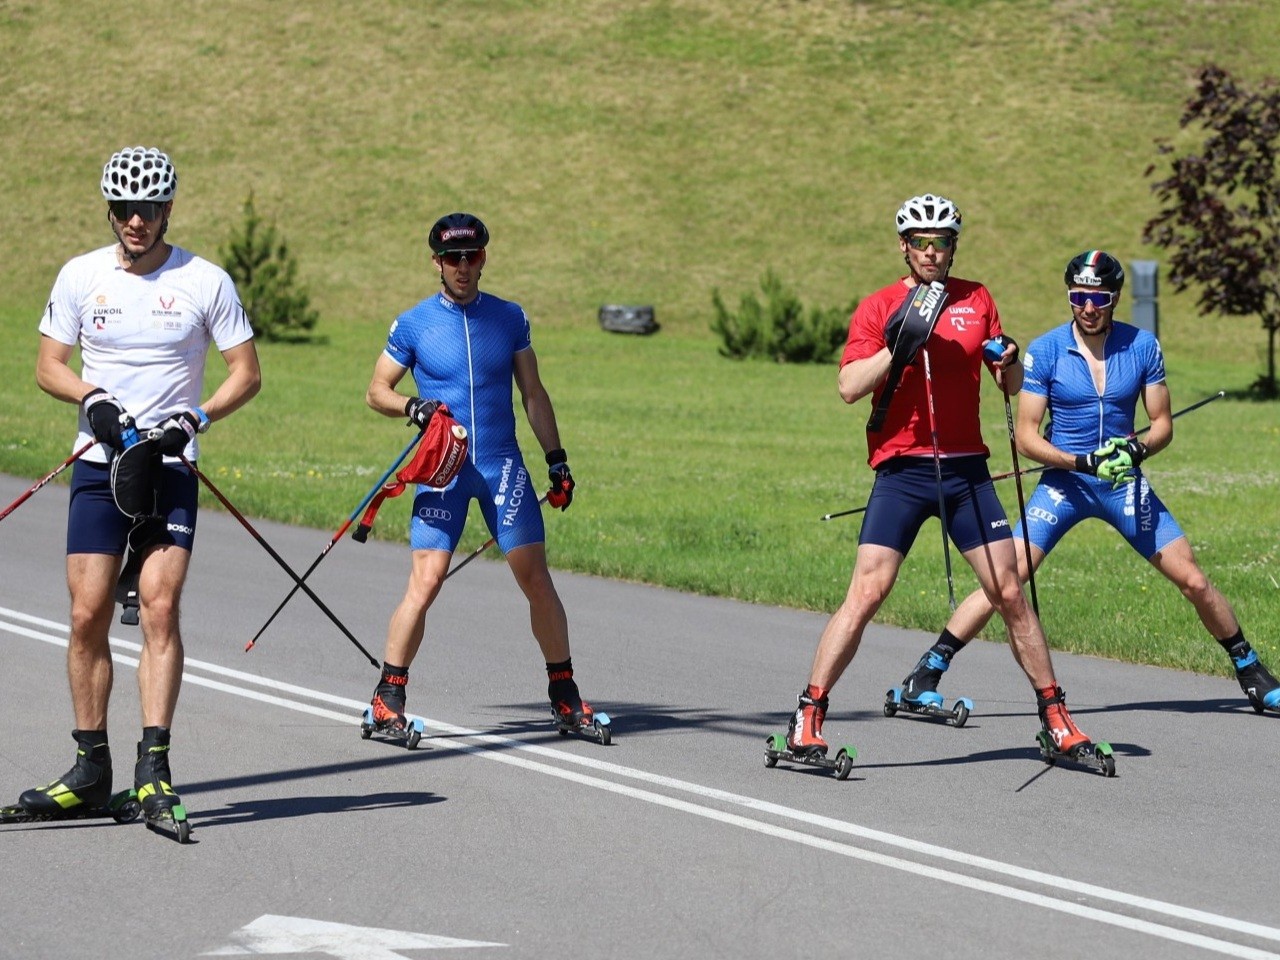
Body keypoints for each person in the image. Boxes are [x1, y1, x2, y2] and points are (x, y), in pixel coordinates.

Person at [897, 250, 1280, 716]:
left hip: (1121, 483)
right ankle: (929, 669)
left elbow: (1161, 424)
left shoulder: (1142, 346)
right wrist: (1081, 461)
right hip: (1065, 485)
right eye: (1078, 297)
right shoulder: (1047, 350)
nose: (1088, 307)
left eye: (1098, 297)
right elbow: (1025, 437)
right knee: (1008, 579)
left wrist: (1136, 450)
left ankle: (1252, 673)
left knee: (1194, 580)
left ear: (1115, 297)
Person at [784, 193, 1098, 759]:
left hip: (965, 470)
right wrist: (898, 345)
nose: (932, 252)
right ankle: (807, 715)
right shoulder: (879, 305)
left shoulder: (976, 298)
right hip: (902, 470)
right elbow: (849, 387)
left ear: (954, 246)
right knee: (868, 592)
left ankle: (1057, 719)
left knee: (1009, 592)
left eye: (943, 242)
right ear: (905, 247)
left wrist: (1010, 362)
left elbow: (1008, 385)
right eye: (922, 242)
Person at [15, 146, 261, 833]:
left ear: (167, 210)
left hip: (168, 468)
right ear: (111, 209)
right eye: (123, 209)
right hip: (98, 465)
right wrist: (91, 398)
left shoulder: (204, 280)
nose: (135, 221)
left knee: (158, 607)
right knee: (87, 614)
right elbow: (47, 365)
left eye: (147, 209)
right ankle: (91, 771)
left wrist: (195, 417)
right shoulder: (81, 275)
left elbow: (246, 371)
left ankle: (154, 772)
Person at [363, 212, 603, 738]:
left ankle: (565, 697)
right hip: (445, 468)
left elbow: (533, 394)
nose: (463, 267)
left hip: (500, 465)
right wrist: (414, 407)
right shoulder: (414, 323)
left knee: (536, 579)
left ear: (484, 257)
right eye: (453, 259)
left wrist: (556, 458)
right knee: (425, 582)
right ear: (437, 263)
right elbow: (377, 390)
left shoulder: (509, 318)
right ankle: (387, 698)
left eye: (472, 257)